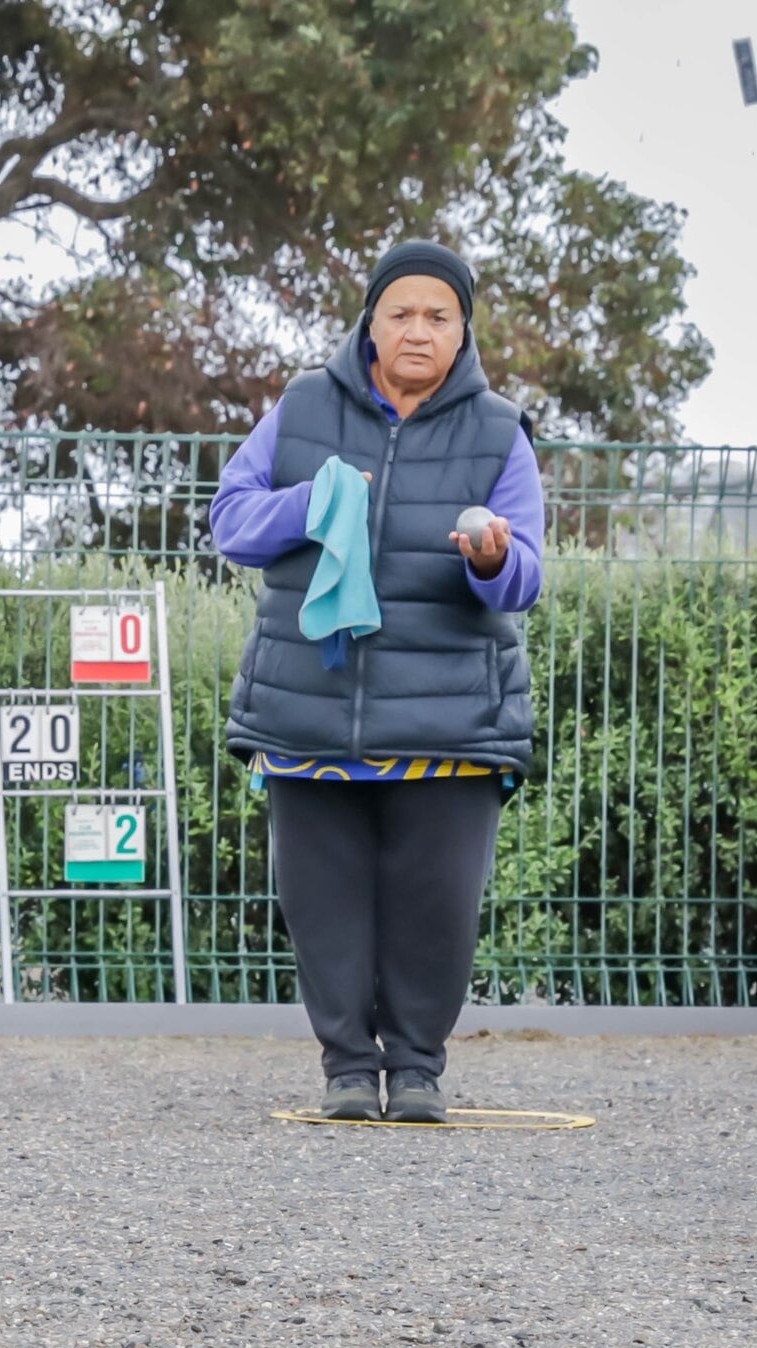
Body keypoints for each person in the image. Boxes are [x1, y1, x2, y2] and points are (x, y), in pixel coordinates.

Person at [209, 239, 544, 1122]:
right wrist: (309, 502)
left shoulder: (499, 430)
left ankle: (420, 1071)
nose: (418, 331)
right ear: (370, 322)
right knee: (324, 909)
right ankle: (348, 1071)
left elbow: (528, 578)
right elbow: (231, 521)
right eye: (400, 313)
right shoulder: (303, 404)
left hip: (451, 719)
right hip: (308, 713)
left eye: (438, 316)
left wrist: (490, 556)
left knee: (435, 910)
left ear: (463, 330)